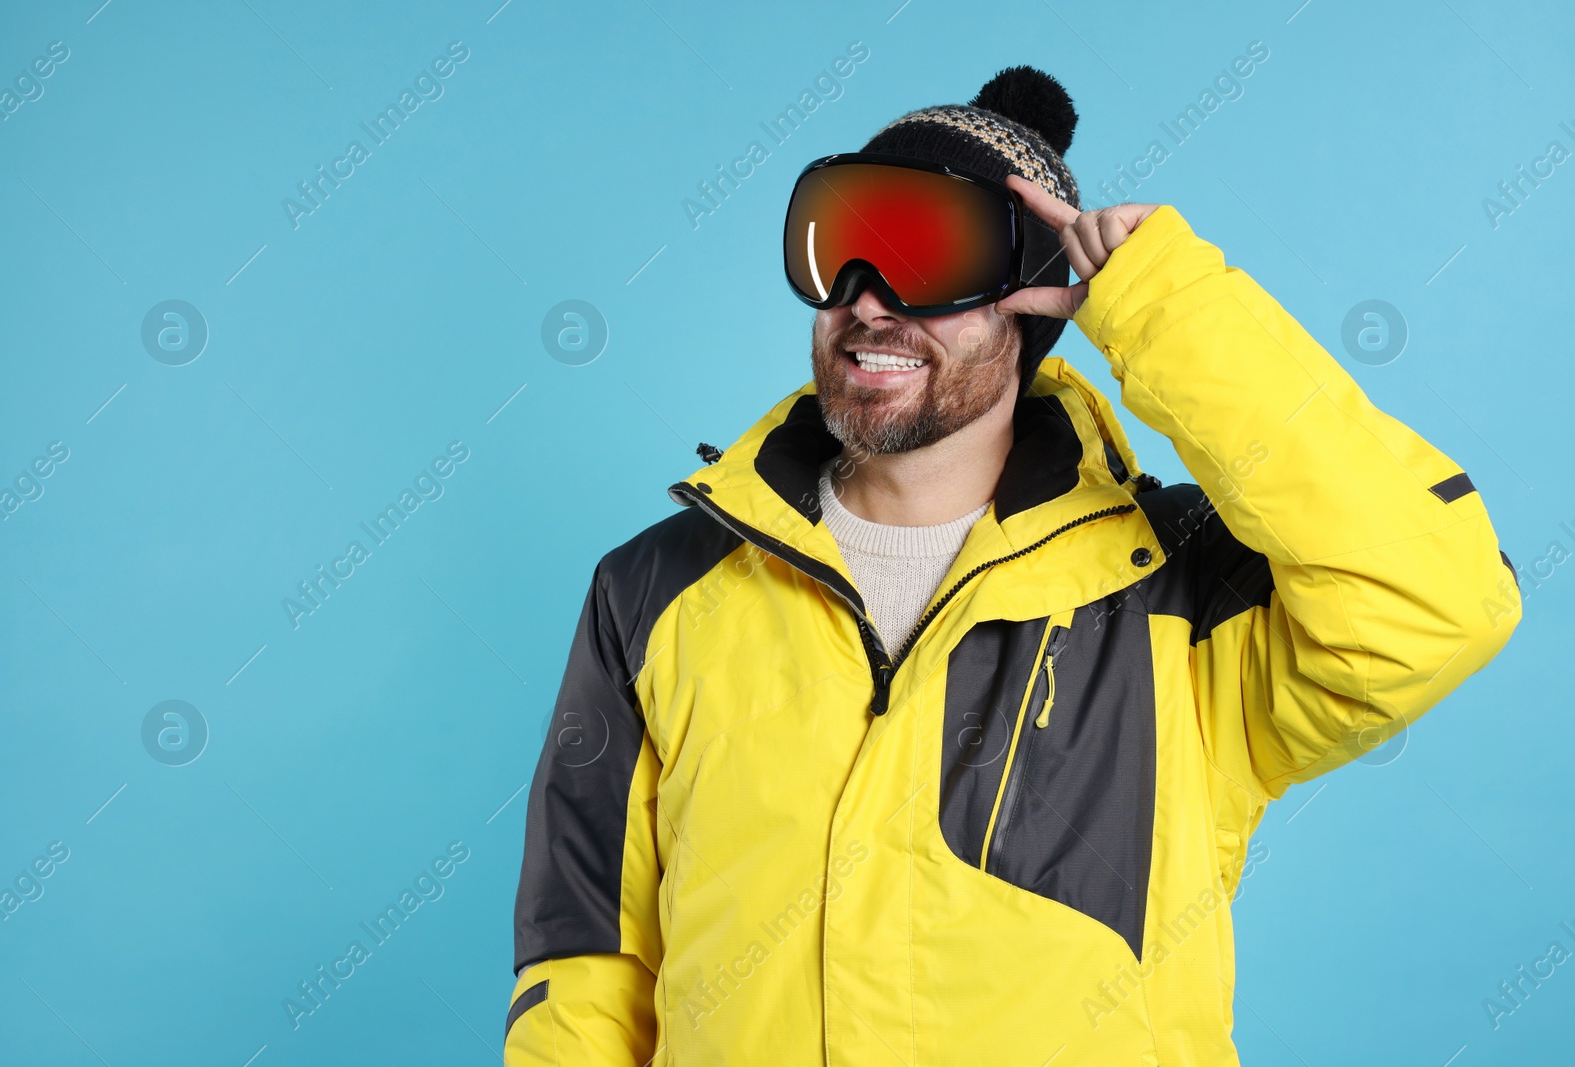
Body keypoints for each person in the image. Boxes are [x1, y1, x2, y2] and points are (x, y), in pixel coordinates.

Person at [501, 65, 1522, 1066]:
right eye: (843, 250)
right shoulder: (653, 587)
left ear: (1030, 300)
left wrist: (1162, 306)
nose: (867, 301)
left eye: (926, 257)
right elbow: (586, 952)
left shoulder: (1178, 587)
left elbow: (1433, 599)